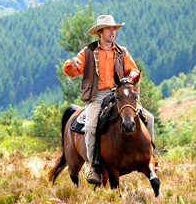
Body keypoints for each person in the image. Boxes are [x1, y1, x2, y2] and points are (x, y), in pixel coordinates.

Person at [63, 15, 155, 184]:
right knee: (90, 126)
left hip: (118, 94)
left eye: (114, 29)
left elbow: (133, 71)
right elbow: (73, 70)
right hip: (96, 96)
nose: (113, 32)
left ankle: (150, 158)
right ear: (101, 32)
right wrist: (71, 63)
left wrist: (133, 76)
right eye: (109, 29)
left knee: (149, 118)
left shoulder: (122, 52)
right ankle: (94, 167)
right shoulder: (87, 52)